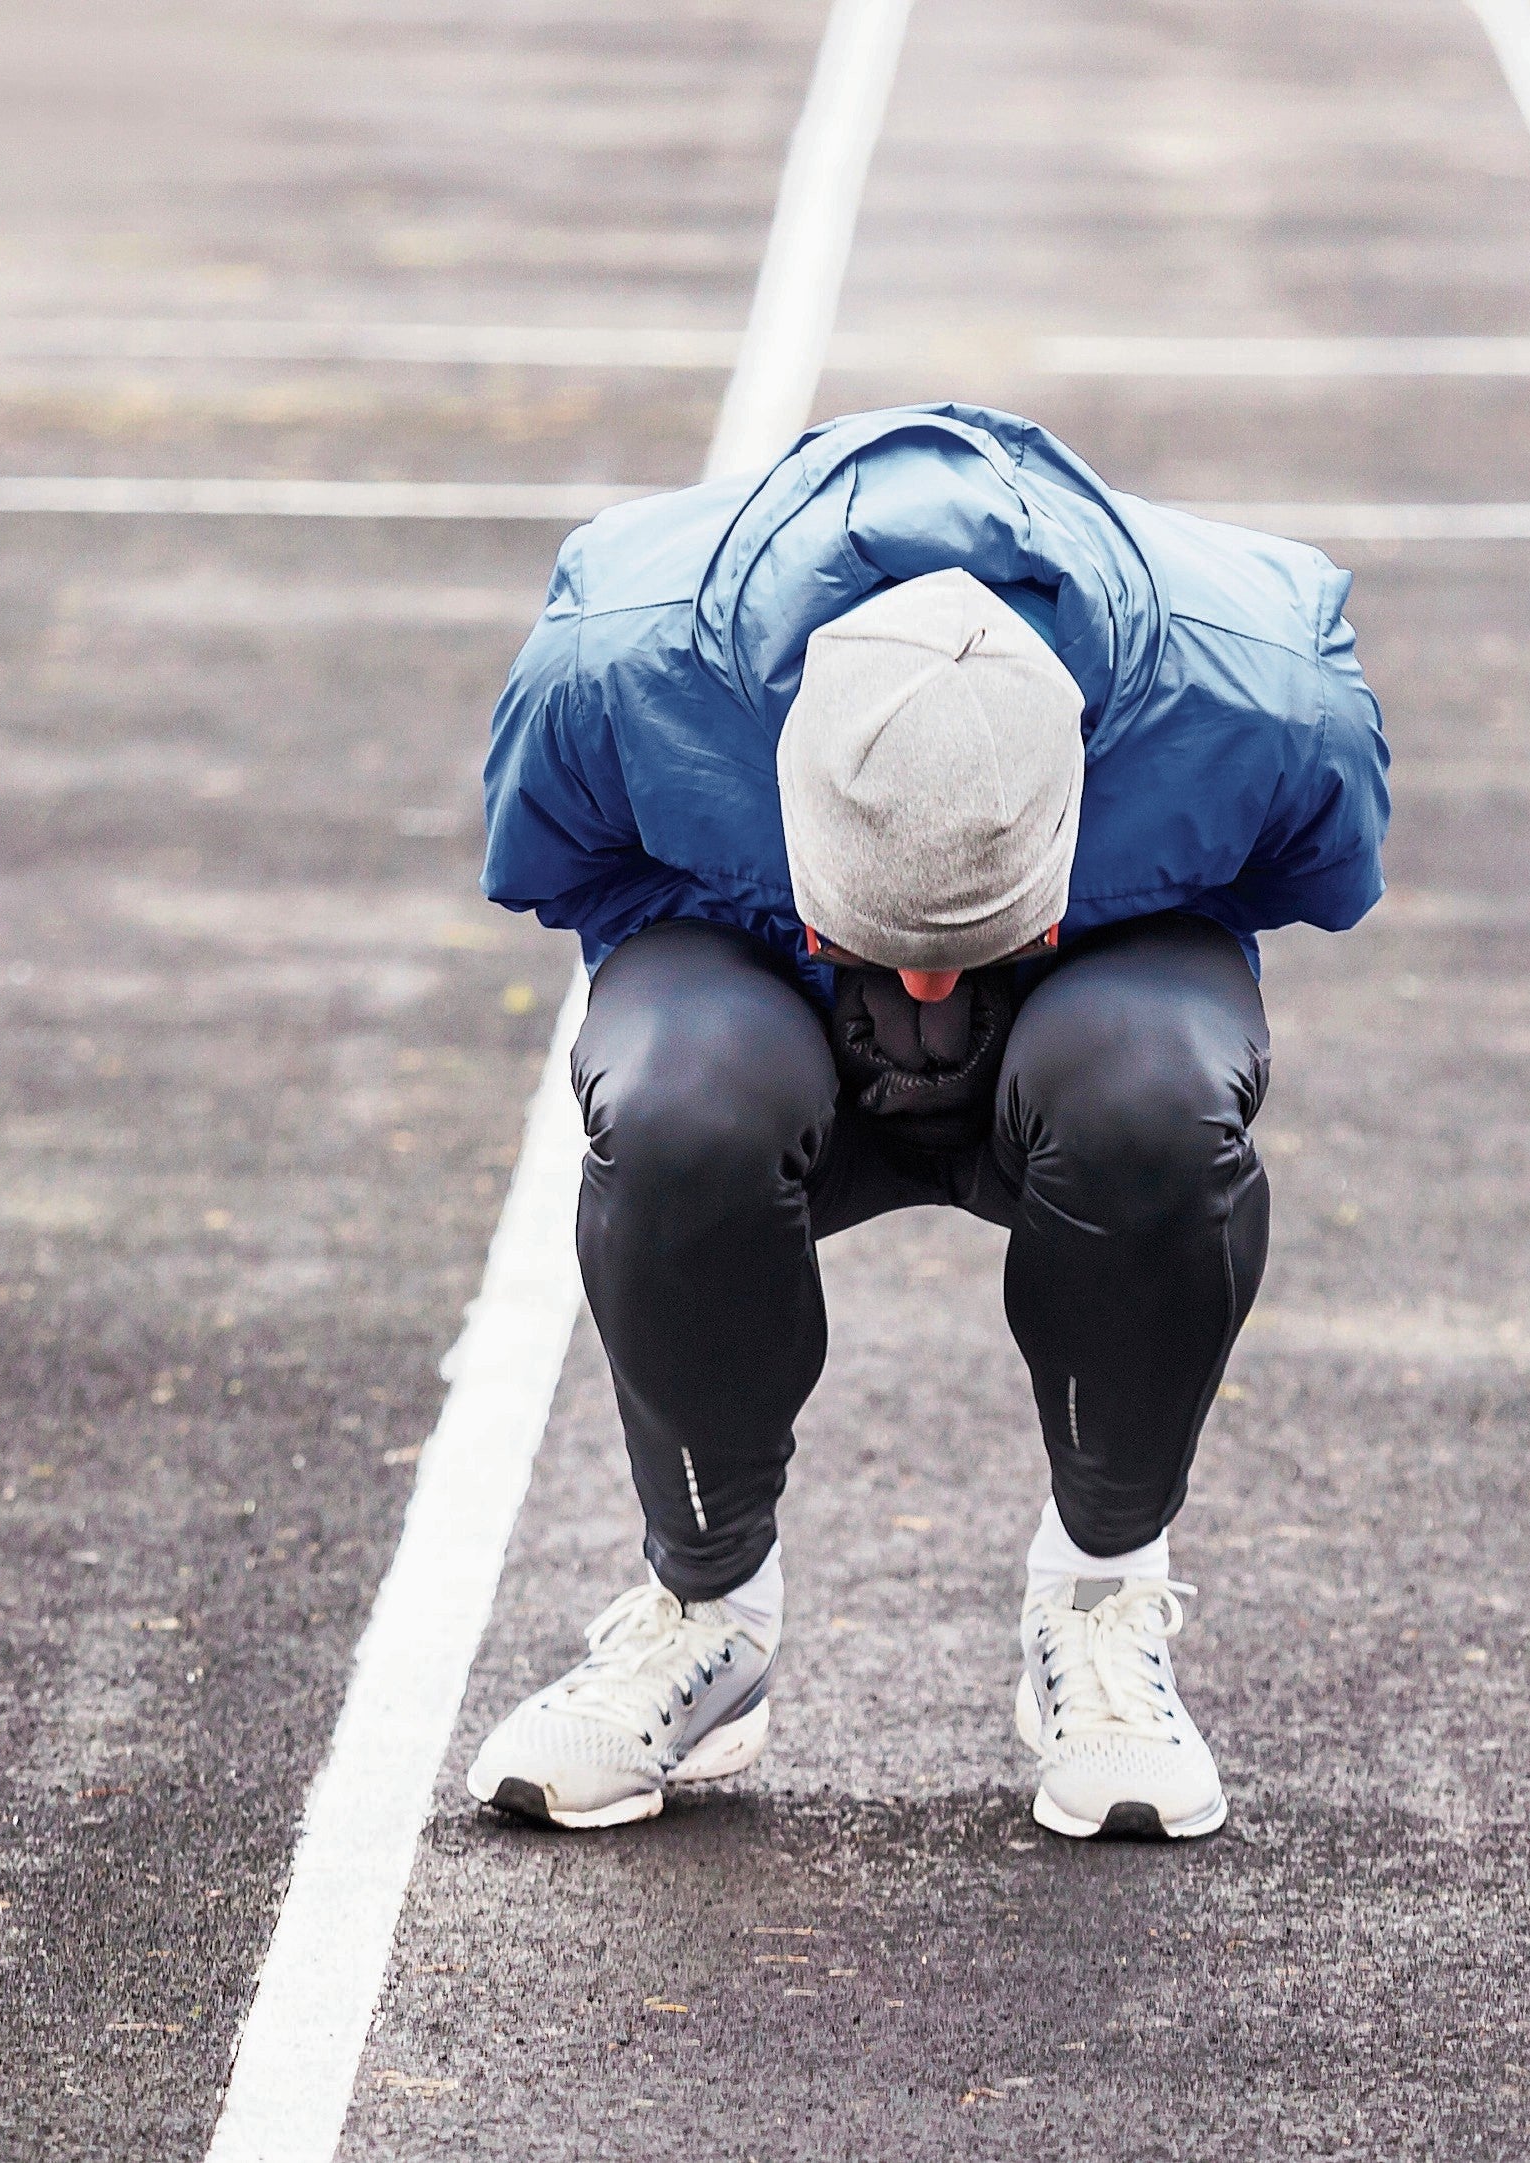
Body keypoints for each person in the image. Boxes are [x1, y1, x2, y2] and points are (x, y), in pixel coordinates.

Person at [459, 405, 1390, 1839]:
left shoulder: (1260, 697)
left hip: (1090, 969)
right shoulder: (615, 665)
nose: (930, 986)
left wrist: (1065, 948)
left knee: (1154, 1091)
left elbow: (1314, 878)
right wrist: (799, 947)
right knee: (674, 1101)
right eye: (897, 933)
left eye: (959, 931)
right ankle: (703, 1608)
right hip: (761, 960)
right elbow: (563, 868)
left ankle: (1099, 1597)